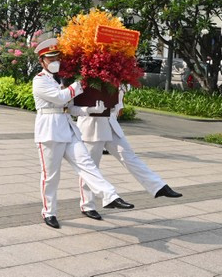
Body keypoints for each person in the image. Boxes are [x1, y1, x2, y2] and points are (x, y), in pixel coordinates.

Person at [32, 38, 134, 229]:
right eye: (50, 58)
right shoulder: (39, 81)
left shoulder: (62, 80)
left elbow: (70, 107)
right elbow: (60, 97)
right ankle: (49, 212)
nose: (55, 61)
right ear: (42, 61)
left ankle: (110, 196)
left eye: (57, 57)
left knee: (86, 164)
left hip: (67, 127)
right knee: (51, 175)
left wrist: (90, 109)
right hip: (49, 131)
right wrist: (82, 81)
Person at [75, 86, 181, 220]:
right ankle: (87, 205)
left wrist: (118, 105)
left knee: (129, 156)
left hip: (110, 123)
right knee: (91, 167)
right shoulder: (88, 74)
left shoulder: (117, 75)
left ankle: (158, 187)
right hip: (92, 125)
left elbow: (119, 97)